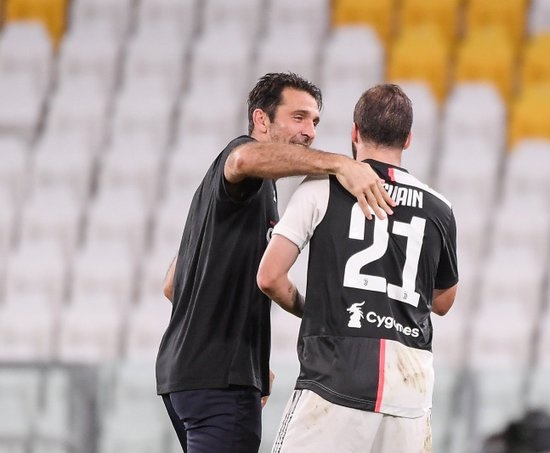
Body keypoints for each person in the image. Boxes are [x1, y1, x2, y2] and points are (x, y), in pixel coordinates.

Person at [155, 72, 395, 453]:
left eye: (315, 121)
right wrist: (339, 164)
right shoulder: (242, 160)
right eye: (298, 117)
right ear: (261, 120)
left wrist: (240, 350)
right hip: (220, 381)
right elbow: (245, 158)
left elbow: (173, 284)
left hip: (184, 375)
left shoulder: (234, 195)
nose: (310, 130)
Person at [257, 83, 459, 453]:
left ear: (354, 132)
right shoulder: (440, 208)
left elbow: (269, 276)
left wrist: (310, 307)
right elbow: (443, 301)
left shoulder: (322, 186)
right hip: (409, 386)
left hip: (336, 372)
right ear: (408, 139)